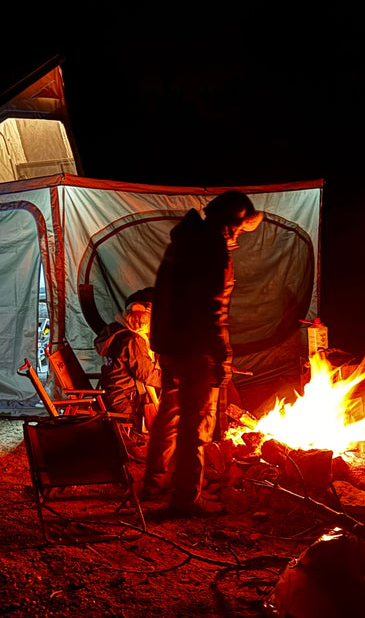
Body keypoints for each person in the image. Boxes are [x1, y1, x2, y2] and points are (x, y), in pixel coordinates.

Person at [148, 190, 263, 515]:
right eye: (240, 228)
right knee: (196, 425)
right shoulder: (213, 250)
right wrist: (222, 355)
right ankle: (187, 499)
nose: (240, 234)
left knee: (171, 415)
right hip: (196, 349)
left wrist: (165, 348)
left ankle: (155, 482)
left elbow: (171, 297)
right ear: (229, 225)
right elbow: (213, 309)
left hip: (171, 346)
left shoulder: (184, 241)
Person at [93, 288, 163, 438]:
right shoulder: (132, 340)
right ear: (143, 319)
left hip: (114, 392)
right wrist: (173, 379)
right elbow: (146, 374)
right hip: (124, 399)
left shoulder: (118, 330)